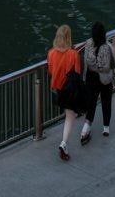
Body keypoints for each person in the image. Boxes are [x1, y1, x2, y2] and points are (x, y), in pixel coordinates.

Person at [47, 24, 83, 161]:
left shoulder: (50, 53)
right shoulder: (73, 54)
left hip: (57, 89)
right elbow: (78, 73)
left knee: (69, 114)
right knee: (70, 116)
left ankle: (64, 143)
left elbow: (50, 71)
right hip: (69, 90)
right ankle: (63, 143)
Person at [80, 22, 115, 144]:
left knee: (91, 103)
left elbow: (86, 61)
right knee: (106, 101)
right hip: (105, 79)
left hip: (91, 77)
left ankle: (86, 128)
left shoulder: (88, 44)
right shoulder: (108, 47)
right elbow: (112, 64)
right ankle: (106, 127)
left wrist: (85, 78)